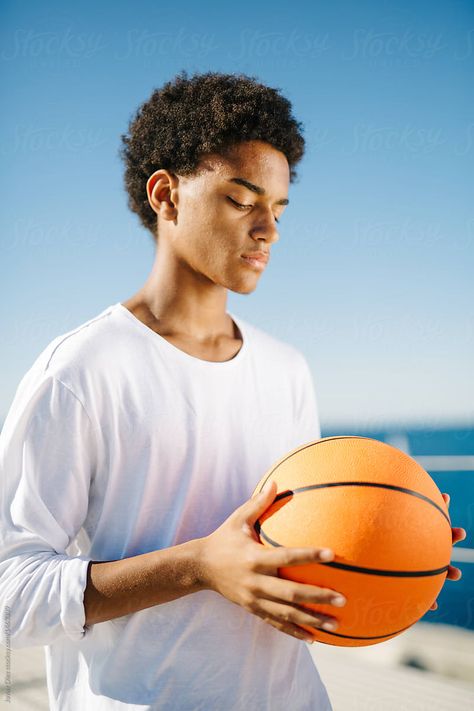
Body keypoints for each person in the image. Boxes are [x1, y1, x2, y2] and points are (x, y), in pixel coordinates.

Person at [0, 70, 465, 711]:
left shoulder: (286, 368)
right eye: (241, 200)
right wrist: (198, 566)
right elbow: (12, 597)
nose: (268, 228)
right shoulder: (79, 371)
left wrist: (392, 545)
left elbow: (289, 545)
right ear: (166, 195)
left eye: (277, 208)